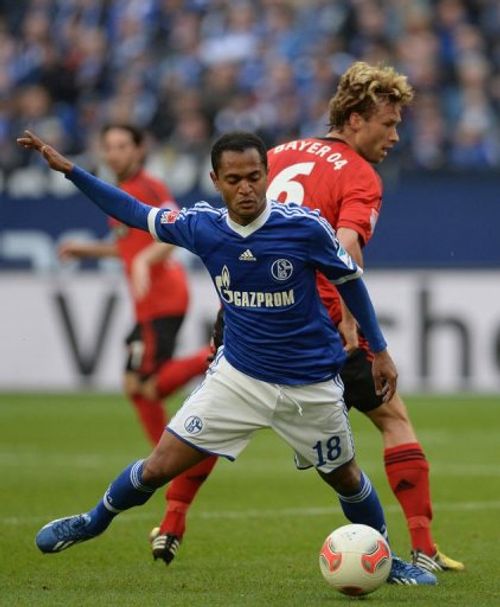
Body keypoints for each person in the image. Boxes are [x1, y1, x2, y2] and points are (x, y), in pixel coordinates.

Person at [18, 129, 436, 586]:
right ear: (216, 180)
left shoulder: (304, 227)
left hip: (310, 384)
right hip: (238, 378)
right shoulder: (204, 226)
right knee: (158, 465)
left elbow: (351, 280)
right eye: (234, 179)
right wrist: (73, 171)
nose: (246, 188)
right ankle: (93, 521)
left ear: (267, 174)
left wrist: (379, 350)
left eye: (255, 176)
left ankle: (386, 558)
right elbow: (134, 213)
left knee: (347, 479)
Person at [265, 61, 464, 573]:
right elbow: (346, 245)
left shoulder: (276, 154)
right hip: (325, 324)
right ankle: (422, 547)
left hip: (254, 318)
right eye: (388, 123)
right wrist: (352, 318)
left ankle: (171, 523)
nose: (396, 135)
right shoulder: (359, 174)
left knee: (202, 429)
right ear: (354, 120)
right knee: (395, 420)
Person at [57, 123, 218, 565]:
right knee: (136, 386)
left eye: (121, 145)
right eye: (107, 146)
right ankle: (166, 454)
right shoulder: (122, 190)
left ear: (139, 149)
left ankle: (211, 360)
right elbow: (127, 247)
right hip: (149, 306)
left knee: (146, 386)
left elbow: (174, 227)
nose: (113, 153)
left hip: (163, 299)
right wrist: (87, 251)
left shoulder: (147, 185)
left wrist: (150, 258)